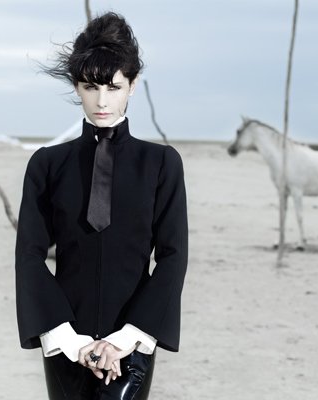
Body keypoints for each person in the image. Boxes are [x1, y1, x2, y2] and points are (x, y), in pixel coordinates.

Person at [15, 12, 188, 400]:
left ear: (132, 85)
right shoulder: (47, 164)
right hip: (65, 341)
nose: (102, 100)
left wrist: (125, 339)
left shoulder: (161, 164)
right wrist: (69, 340)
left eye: (114, 86)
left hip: (132, 341)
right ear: (76, 86)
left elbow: (173, 256)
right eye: (90, 86)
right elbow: (29, 255)